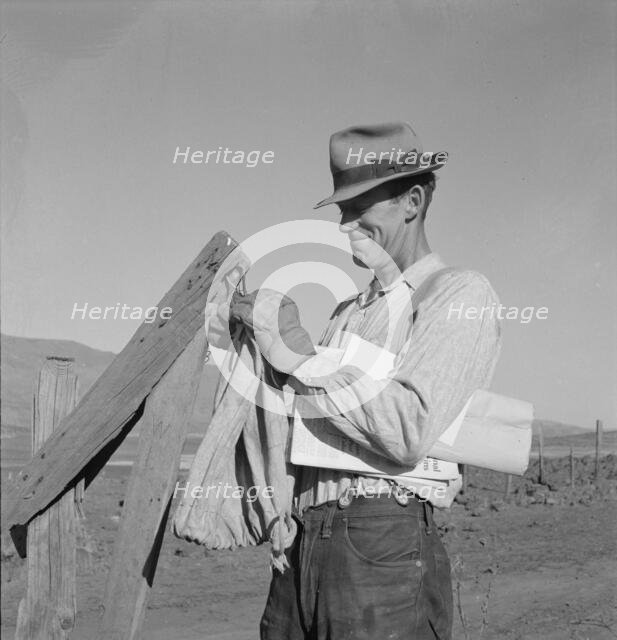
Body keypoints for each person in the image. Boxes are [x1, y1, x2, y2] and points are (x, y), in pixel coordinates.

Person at [240, 122, 502, 640]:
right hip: (302, 538)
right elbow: (311, 423)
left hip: (380, 535)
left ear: (412, 200)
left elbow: (408, 427)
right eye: (342, 210)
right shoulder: (344, 314)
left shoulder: (456, 295)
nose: (346, 224)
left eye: (361, 207)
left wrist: (301, 358)